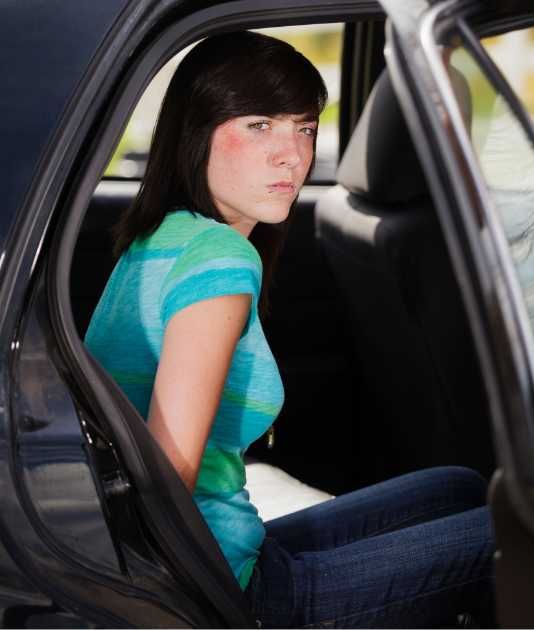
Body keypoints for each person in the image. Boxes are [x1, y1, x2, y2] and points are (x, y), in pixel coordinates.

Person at [83, 31, 493, 628]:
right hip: (230, 589)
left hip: (231, 546)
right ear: (195, 131)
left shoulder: (158, 236)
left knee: (458, 488)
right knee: (527, 534)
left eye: (304, 128)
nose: (292, 155)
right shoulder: (219, 260)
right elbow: (167, 476)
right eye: (259, 126)